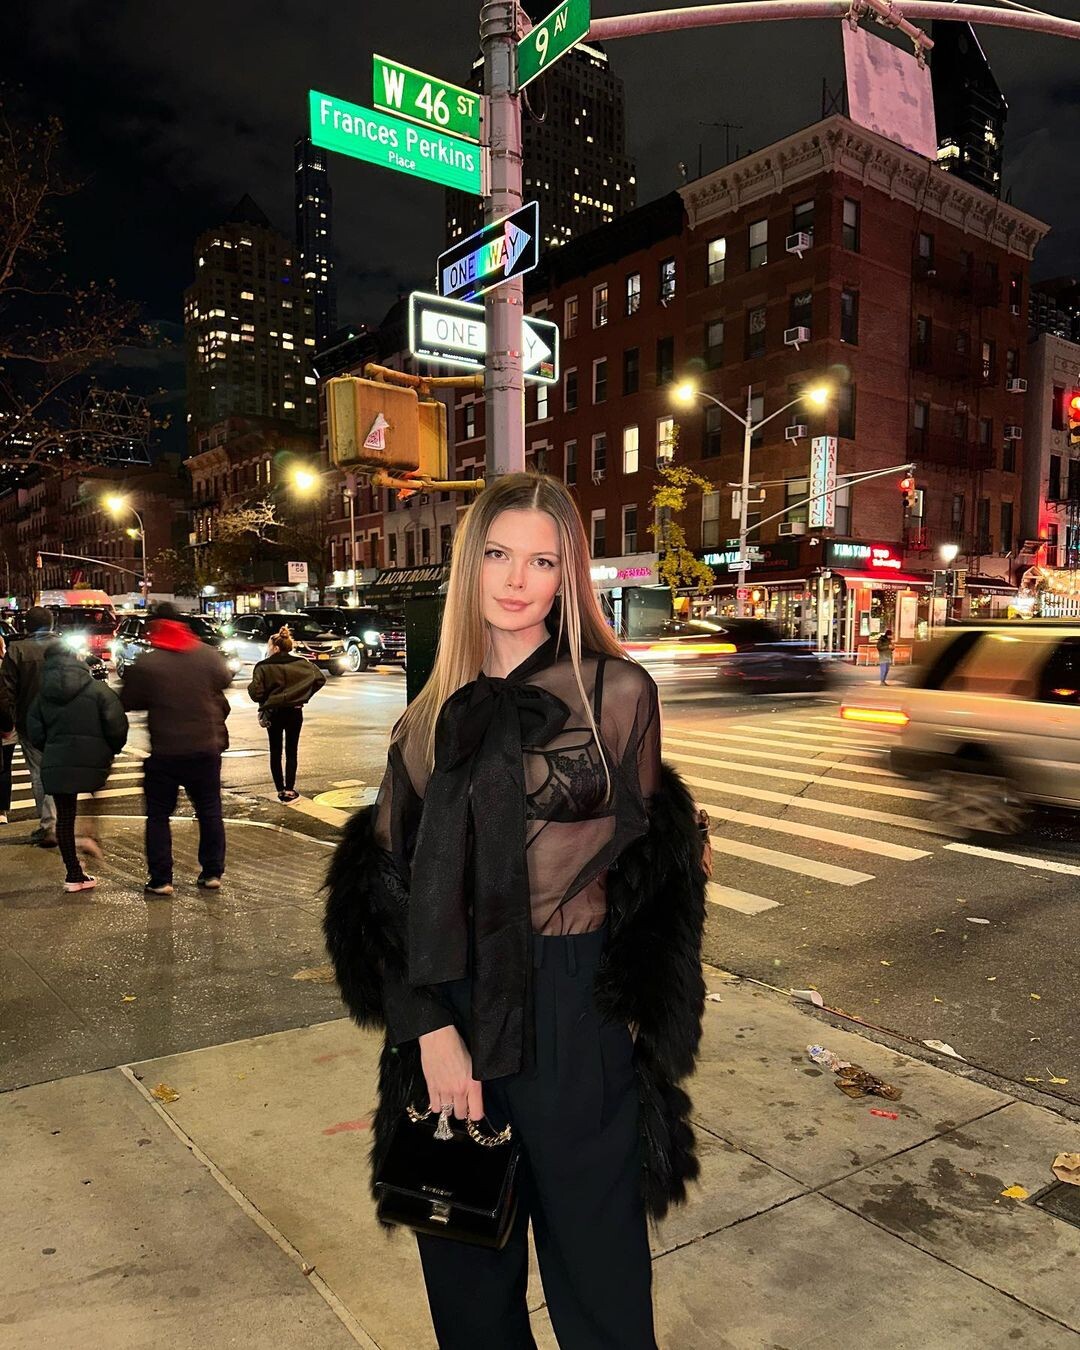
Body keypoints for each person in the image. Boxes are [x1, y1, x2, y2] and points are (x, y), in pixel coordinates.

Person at [325, 473, 707, 1349]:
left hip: (578, 1007)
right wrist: (427, 1031)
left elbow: (654, 870)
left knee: (603, 1285)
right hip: (450, 1007)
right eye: (498, 554)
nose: (517, 579)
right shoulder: (423, 721)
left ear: (569, 575)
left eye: (543, 560)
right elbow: (385, 891)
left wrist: (640, 1015)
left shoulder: (618, 694)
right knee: (469, 1286)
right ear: (470, 565)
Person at [120, 602, 231, 896]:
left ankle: (161, 879)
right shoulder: (207, 655)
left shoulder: (148, 663)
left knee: (158, 815)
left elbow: (128, 700)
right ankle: (212, 872)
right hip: (205, 748)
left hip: (166, 752)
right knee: (209, 810)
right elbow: (225, 679)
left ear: (155, 626)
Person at [26, 642, 128, 892]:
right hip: (95, 758)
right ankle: (90, 835)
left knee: (65, 816)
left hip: (59, 761)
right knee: (96, 793)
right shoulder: (98, 690)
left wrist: (53, 748)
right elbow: (117, 725)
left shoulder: (42, 696)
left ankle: (74, 874)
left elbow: (35, 733)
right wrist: (110, 749)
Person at [0, 606, 60, 845]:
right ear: (52, 624)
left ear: (27, 625)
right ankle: (58, 823)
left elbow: (6, 693)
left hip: (29, 723)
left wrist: (8, 722)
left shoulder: (17, 651)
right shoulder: (65, 649)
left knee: (38, 772)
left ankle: (49, 825)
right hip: (62, 722)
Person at [248, 625, 325, 802]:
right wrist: (303, 694)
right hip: (294, 711)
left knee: (275, 751)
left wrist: (266, 698)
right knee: (292, 750)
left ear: (275, 648)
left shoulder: (263, 666)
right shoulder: (302, 663)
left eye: (269, 646)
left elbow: (255, 694)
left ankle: (280, 789)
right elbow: (320, 679)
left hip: (273, 712)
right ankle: (290, 789)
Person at [0, 631, 15, 826]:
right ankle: (1, 810)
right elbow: (4, 701)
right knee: (4, 768)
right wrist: (7, 726)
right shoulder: (4, 668)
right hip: (4, 728)